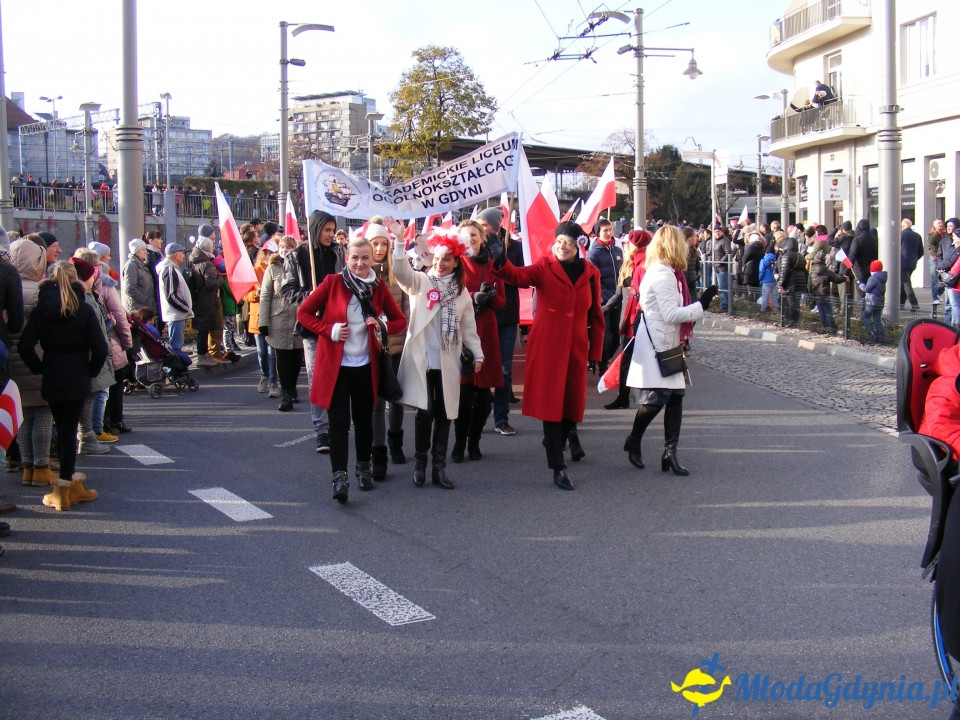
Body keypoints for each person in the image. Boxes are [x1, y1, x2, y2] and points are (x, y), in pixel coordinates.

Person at [492, 221, 604, 491]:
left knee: (571, 408)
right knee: (552, 406)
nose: (562, 245)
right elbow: (517, 277)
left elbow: (596, 316)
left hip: (577, 349)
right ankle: (558, 466)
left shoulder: (591, 273)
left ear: (580, 245)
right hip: (548, 348)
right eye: (558, 241)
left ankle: (555, 442)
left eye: (568, 241)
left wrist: (596, 352)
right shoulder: (544, 267)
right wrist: (499, 259)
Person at [296, 235, 405, 504]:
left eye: (365, 258)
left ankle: (363, 467)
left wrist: (382, 325)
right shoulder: (332, 283)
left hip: (366, 367)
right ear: (346, 259)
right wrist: (329, 330)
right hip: (336, 368)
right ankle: (339, 477)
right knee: (339, 425)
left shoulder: (378, 287)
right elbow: (304, 314)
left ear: (373, 259)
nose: (360, 263)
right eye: (355, 258)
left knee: (364, 421)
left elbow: (400, 321)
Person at [384, 218, 482, 490]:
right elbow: (402, 273)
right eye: (438, 258)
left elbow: (469, 328)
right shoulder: (422, 282)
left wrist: (478, 355)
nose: (441, 263)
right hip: (423, 360)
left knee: (445, 413)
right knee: (424, 413)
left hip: (448, 361)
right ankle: (420, 465)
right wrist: (400, 242)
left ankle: (439, 467)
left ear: (456, 262)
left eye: (447, 260)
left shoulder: (462, 293)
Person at [621, 226, 718, 476]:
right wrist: (701, 305)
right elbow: (671, 314)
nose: (686, 247)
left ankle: (670, 452)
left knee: (675, 398)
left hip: (664, 342)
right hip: (658, 343)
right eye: (682, 244)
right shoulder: (663, 274)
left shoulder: (666, 271)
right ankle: (634, 439)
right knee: (657, 399)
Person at [18, 261, 108, 511]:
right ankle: (67, 484)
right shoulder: (84, 308)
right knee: (70, 431)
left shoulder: (41, 308)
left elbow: (25, 345)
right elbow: (101, 348)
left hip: (53, 372)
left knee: (61, 426)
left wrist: (39, 367)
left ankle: (62, 488)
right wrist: (91, 370)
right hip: (77, 373)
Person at [282, 210, 345, 454]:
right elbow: (287, 291)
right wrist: (311, 295)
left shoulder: (338, 252)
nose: (331, 235)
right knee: (317, 379)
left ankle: (337, 423)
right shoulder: (297, 256)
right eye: (326, 230)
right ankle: (321, 430)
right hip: (313, 328)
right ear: (315, 229)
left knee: (340, 377)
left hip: (338, 325)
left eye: (332, 230)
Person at [451, 220, 504, 464]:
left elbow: (502, 302)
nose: (470, 239)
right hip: (461, 334)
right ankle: (459, 442)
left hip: (487, 333)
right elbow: (447, 295)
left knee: (483, 400)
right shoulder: (455, 264)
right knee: (464, 395)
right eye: (466, 236)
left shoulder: (493, 265)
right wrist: (473, 297)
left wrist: (490, 297)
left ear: (482, 238)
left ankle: (474, 441)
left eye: (474, 235)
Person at [364, 221, 410, 477]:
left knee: (397, 398)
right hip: (371, 350)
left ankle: (396, 442)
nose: (379, 248)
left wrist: (406, 337)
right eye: (375, 244)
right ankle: (378, 451)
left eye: (384, 243)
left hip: (396, 346)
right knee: (376, 403)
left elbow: (406, 309)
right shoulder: (361, 274)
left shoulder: (397, 274)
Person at [8, 237, 55, 488]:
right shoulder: (41, 290)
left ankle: (26, 466)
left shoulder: (9, 288)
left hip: (13, 363)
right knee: (44, 416)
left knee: (24, 416)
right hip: (39, 357)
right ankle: (41, 467)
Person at [259, 236, 303, 412]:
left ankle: (292, 388)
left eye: (289, 248)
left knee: (296, 358)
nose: (285, 251)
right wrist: (263, 322)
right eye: (282, 247)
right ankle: (286, 395)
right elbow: (265, 295)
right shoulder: (272, 268)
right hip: (279, 319)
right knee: (283, 358)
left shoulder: (301, 266)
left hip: (299, 318)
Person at [588, 218, 624, 375]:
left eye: (610, 229)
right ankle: (602, 367)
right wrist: (603, 296)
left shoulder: (617, 251)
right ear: (598, 233)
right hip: (603, 301)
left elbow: (622, 274)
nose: (609, 233)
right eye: (605, 230)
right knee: (605, 337)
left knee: (616, 337)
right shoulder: (594, 253)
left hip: (617, 298)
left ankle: (601, 359)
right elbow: (592, 279)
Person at [245, 241, 279, 395]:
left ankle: (273, 382)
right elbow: (246, 295)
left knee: (272, 352)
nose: (268, 255)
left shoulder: (279, 270)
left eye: (271, 252)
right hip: (258, 317)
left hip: (274, 316)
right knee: (261, 352)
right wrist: (257, 294)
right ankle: (264, 376)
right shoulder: (254, 271)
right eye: (266, 252)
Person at [188, 235, 222, 367]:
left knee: (203, 328)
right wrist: (220, 278)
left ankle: (204, 354)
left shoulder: (194, 261)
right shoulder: (207, 264)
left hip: (199, 299)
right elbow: (210, 284)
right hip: (207, 300)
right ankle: (202, 355)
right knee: (205, 328)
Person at [157, 242, 193, 359]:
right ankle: (173, 373)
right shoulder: (169, 270)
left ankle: (175, 373)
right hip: (175, 315)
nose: (183, 256)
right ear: (176, 255)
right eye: (182, 253)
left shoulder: (172, 269)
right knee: (175, 348)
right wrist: (185, 308)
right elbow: (171, 295)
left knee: (176, 346)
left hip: (177, 314)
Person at [807, 240, 847, 333]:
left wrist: (811, 292)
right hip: (825, 294)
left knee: (821, 312)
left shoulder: (812, 271)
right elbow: (836, 279)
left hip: (816, 295)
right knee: (828, 311)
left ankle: (825, 327)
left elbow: (809, 283)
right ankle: (832, 328)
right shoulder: (826, 271)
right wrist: (844, 278)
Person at [122, 238, 157, 315]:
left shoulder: (141, 265)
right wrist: (147, 299)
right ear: (136, 251)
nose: (146, 252)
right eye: (143, 249)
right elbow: (130, 289)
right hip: (137, 311)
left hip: (143, 309)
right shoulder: (131, 265)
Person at [858, 259, 887, 342]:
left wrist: (860, 284)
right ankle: (881, 338)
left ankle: (871, 333)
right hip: (880, 302)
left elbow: (867, 289)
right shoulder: (882, 278)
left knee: (865, 317)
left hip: (871, 302)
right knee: (877, 320)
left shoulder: (873, 278)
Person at [899, 218, 923, 311]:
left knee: (905, 283)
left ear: (903, 226)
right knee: (904, 282)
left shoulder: (901, 235)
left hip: (902, 262)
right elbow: (921, 251)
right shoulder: (917, 236)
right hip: (912, 263)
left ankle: (914, 304)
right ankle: (901, 304)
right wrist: (915, 259)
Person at [927, 218, 946, 308]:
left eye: (941, 223)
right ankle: (935, 298)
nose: (941, 224)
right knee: (934, 279)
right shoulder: (931, 234)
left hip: (942, 259)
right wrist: (936, 233)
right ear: (934, 225)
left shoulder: (945, 234)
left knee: (945, 278)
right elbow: (931, 242)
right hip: (934, 258)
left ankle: (939, 292)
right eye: (938, 223)